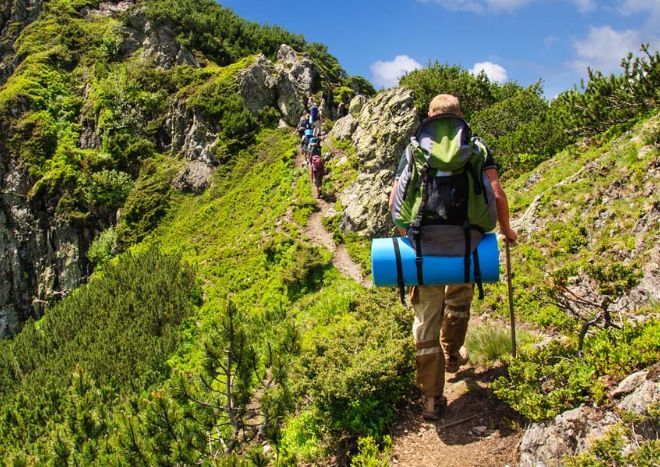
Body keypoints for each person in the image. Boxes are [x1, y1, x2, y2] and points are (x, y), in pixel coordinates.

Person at [388, 94, 518, 420]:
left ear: (430, 115)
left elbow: (395, 201)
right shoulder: (476, 147)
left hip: (423, 249)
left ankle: (431, 399)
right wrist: (507, 229)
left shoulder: (413, 148)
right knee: (459, 303)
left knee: (425, 321)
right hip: (466, 243)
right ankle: (451, 355)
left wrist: (409, 234)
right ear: (459, 115)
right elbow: (497, 192)